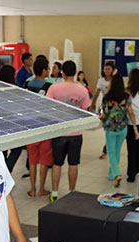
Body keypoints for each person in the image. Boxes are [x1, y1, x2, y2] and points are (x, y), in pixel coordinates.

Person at [46, 60, 90, 202]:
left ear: (62, 72)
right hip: (76, 133)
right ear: (76, 73)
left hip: (59, 132)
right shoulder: (82, 90)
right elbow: (85, 110)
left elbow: (46, 107)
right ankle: (72, 191)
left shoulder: (54, 88)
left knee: (57, 164)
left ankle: (54, 192)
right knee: (73, 163)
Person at [100, 74, 139, 188]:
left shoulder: (107, 98)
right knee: (116, 152)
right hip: (123, 128)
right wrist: (135, 128)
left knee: (111, 153)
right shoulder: (126, 96)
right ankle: (111, 175)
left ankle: (117, 174)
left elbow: (104, 114)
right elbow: (130, 112)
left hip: (111, 128)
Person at [25, 58, 54, 197]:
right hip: (45, 126)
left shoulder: (27, 83)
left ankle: (32, 189)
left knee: (32, 160)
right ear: (44, 71)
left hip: (30, 126)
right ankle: (41, 189)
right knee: (44, 160)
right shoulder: (49, 85)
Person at [91, 61, 115, 160]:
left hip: (114, 107)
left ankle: (107, 150)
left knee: (110, 128)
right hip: (105, 106)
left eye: (109, 69)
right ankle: (108, 148)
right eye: (105, 69)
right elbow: (96, 93)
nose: (106, 71)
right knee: (107, 128)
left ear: (113, 70)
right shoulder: (101, 80)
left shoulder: (115, 80)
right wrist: (92, 104)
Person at [125, 68, 139, 183]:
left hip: (130, 123)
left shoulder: (127, 91)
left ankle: (131, 174)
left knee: (131, 150)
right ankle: (138, 169)